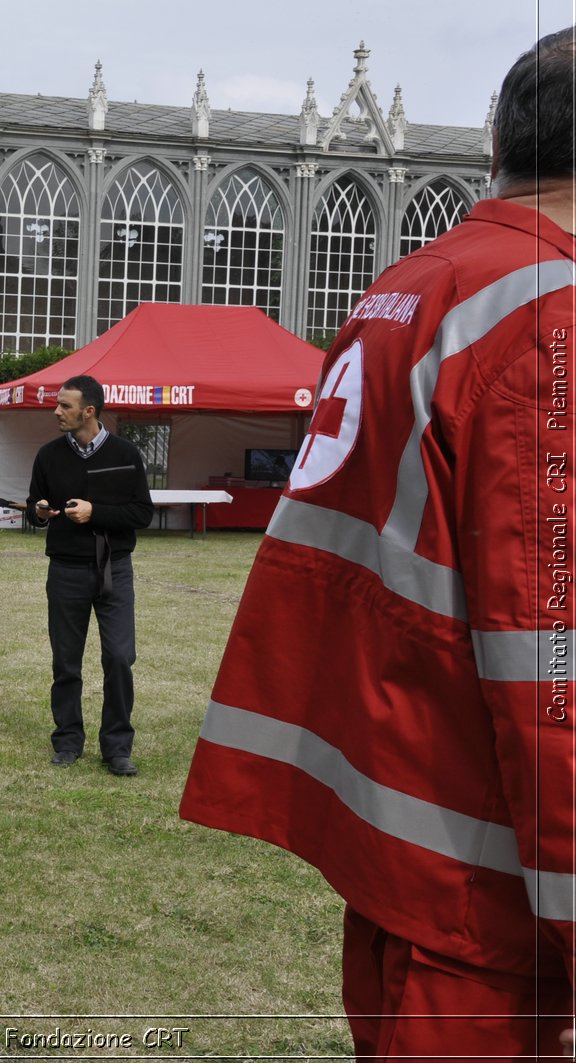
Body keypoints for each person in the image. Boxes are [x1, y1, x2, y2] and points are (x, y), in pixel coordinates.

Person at [180, 27, 576, 1059]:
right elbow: (555, 663)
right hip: (489, 902)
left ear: (500, 142)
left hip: (410, 851)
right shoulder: (550, 315)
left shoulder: (424, 280)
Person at [25, 374, 153, 776]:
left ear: (89, 411)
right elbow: (34, 506)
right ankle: (67, 740)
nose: (57, 411)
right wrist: (39, 512)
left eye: (65, 405)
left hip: (114, 569)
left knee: (119, 658)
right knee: (66, 662)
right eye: (58, 404)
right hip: (65, 570)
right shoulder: (48, 455)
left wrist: (95, 512)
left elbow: (141, 513)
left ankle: (117, 747)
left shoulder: (126, 453)